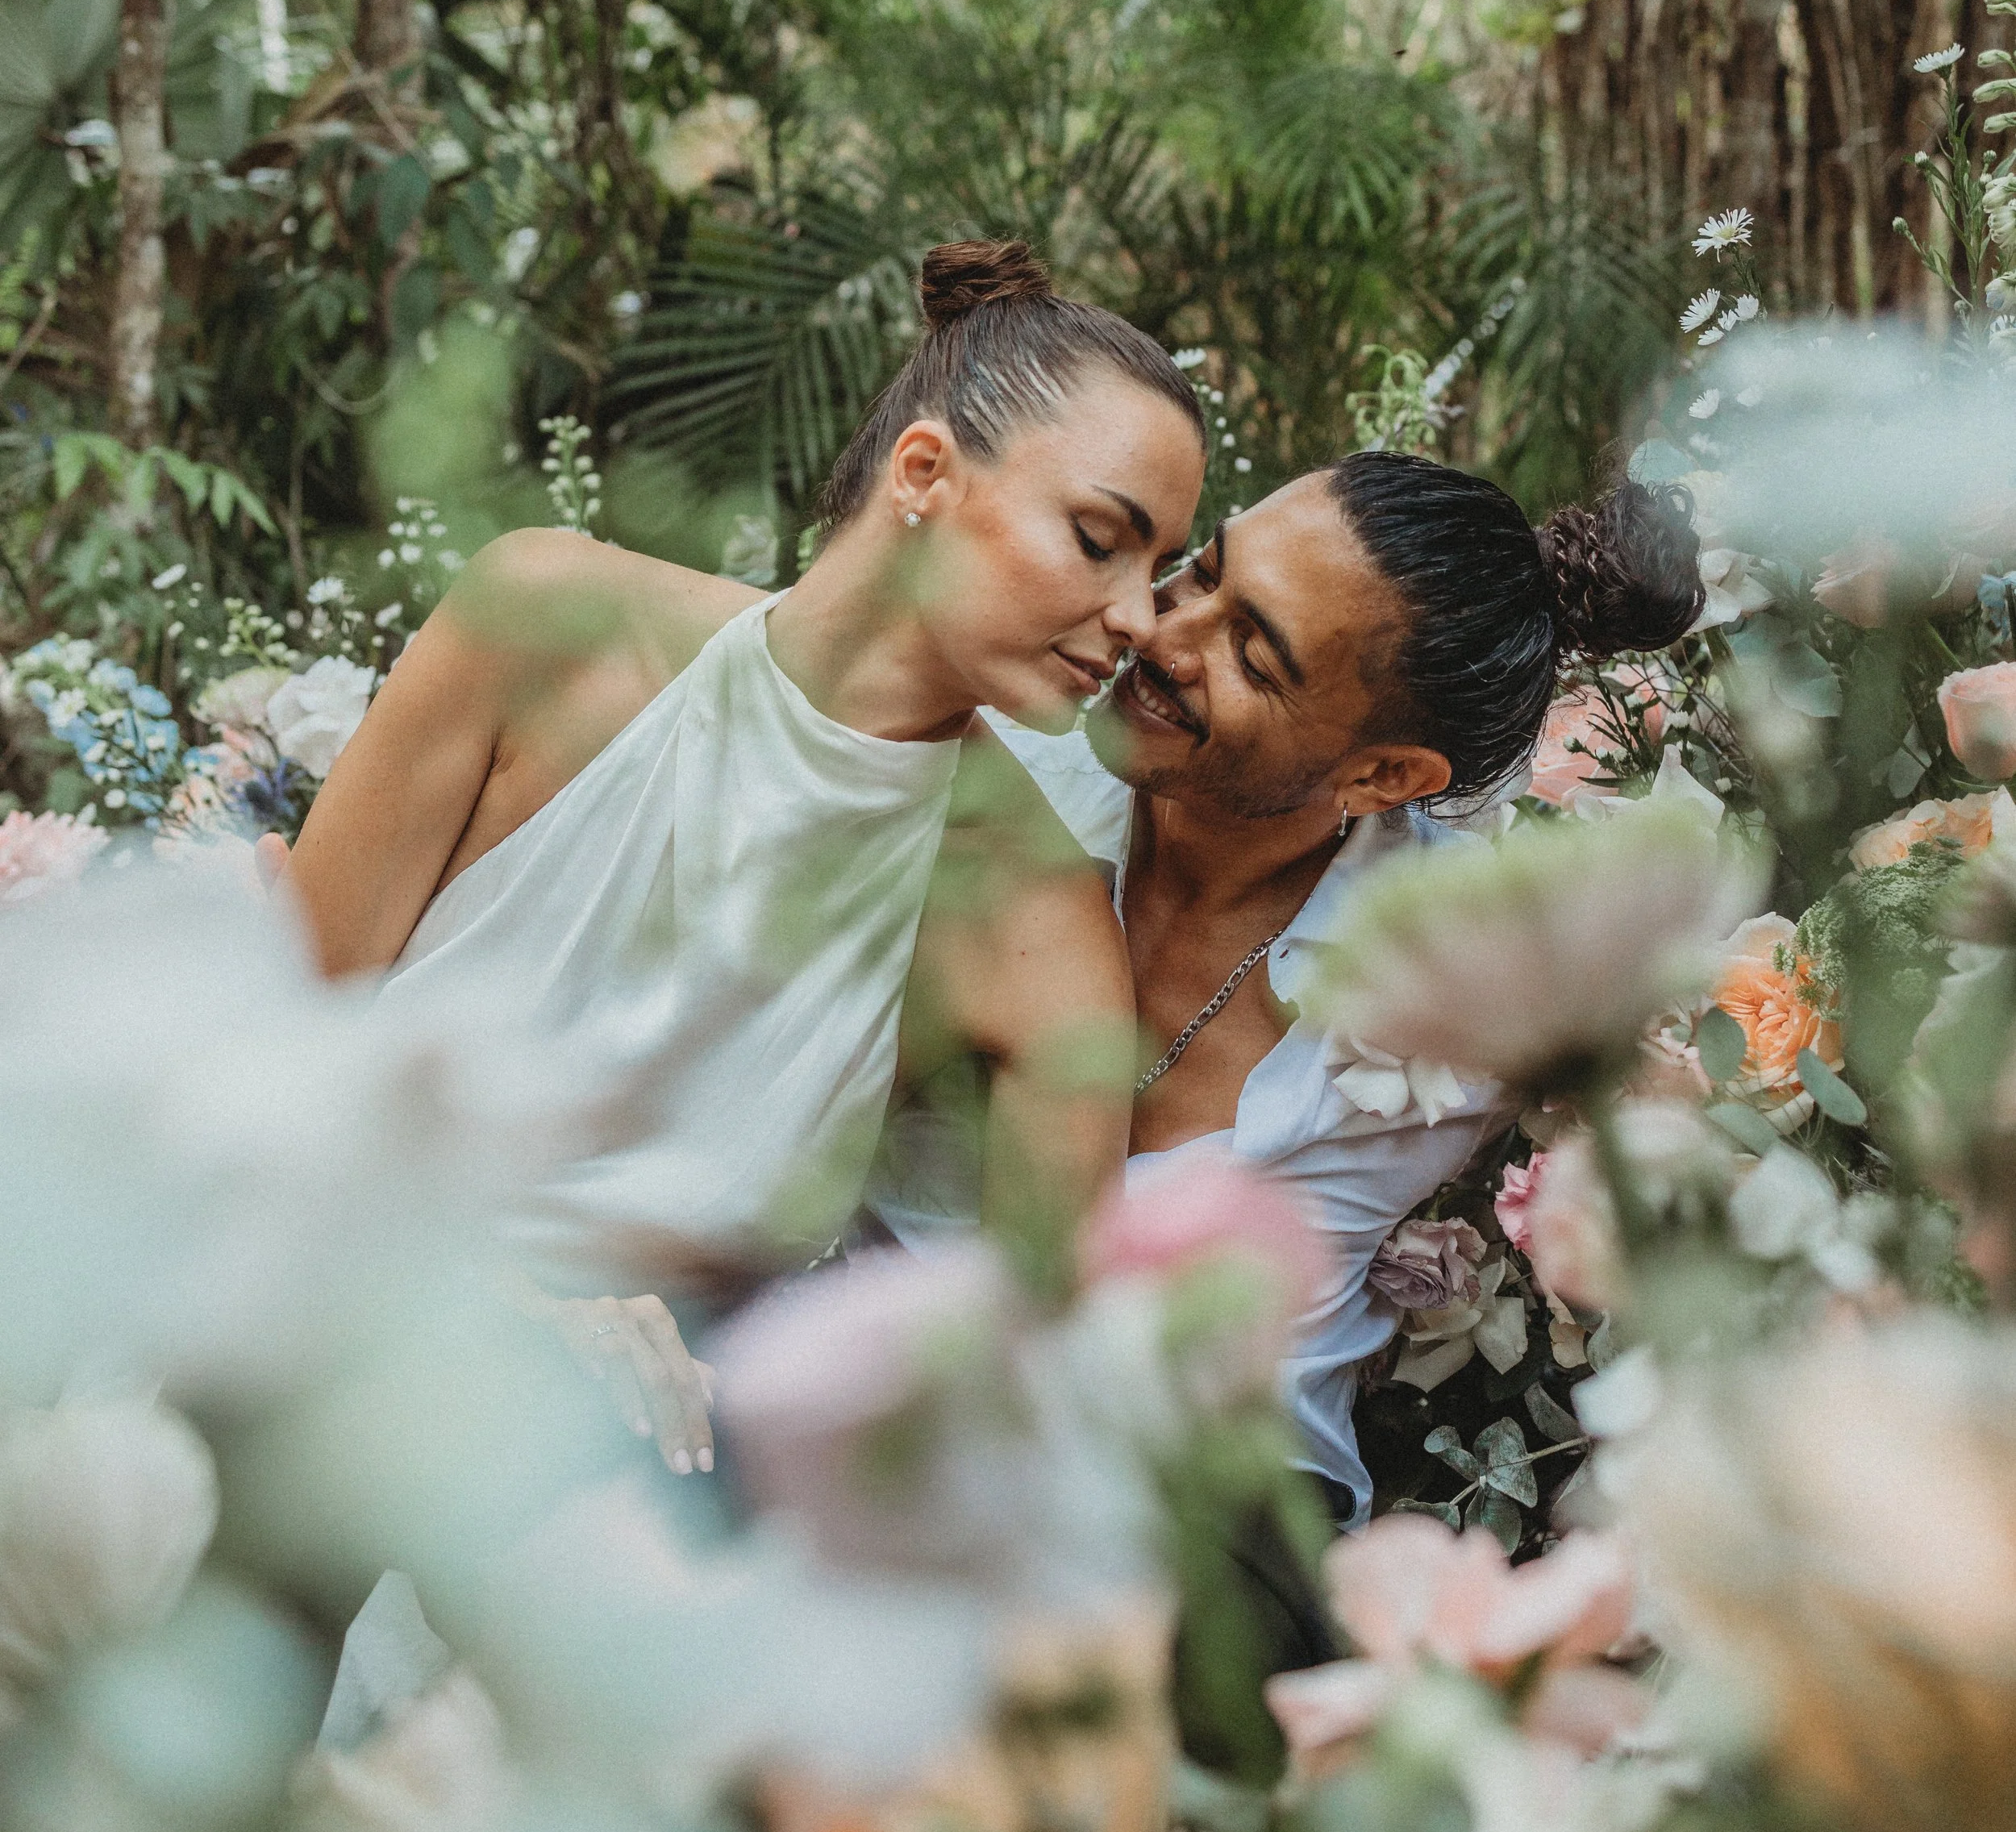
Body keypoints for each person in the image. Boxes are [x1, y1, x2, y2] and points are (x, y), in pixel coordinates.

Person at [275, 241, 1206, 1468]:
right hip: (301, 1294)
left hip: (619, 1479)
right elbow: (269, 1041)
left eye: (1160, 569)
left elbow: (1028, 1375)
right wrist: (503, 1311)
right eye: (1100, 539)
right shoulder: (548, 627)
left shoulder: (1038, 932)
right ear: (925, 471)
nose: (1140, 618)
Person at [888, 450, 1704, 1529]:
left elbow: (1704, 1120)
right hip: (878, 1403)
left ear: (1385, 777)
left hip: (1223, 1510)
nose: (1159, 634)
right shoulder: (1005, 751)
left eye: (1251, 652)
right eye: (1202, 574)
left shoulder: (1474, 964)